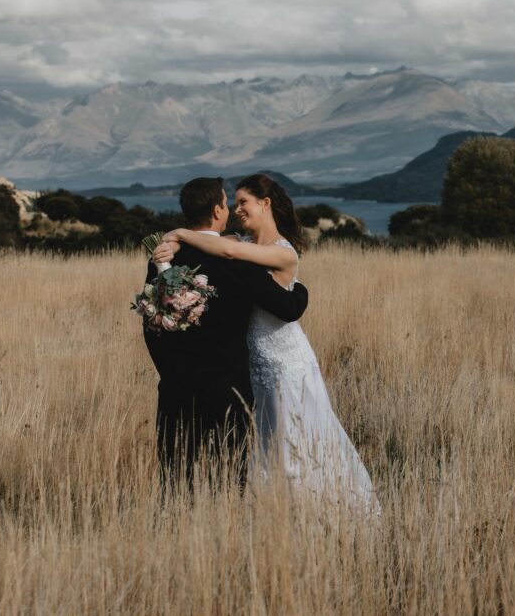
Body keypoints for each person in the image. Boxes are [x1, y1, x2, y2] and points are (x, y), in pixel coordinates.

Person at [153, 173, 379, 512]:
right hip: (251, 365)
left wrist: (178, 234)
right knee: (262, 449)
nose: (238, 208)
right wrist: (178, 245)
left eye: (244, 201)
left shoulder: (280, 253)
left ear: (266, 204)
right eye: (234, 202)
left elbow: (228, 250)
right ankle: (269, 515)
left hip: (285, 360)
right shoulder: (240, 243)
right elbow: (221, 243)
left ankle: (311, 512)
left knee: (295, 446)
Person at [142, 177, 309, 496]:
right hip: (227, 391)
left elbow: (152, 326)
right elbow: (286, 306)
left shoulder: (163, 258)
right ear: (218, 210)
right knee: (230, 483)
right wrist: (299, 290)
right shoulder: (238, 259)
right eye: (227, 203)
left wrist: (170, 371)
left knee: (175, 485)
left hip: (175, 390)